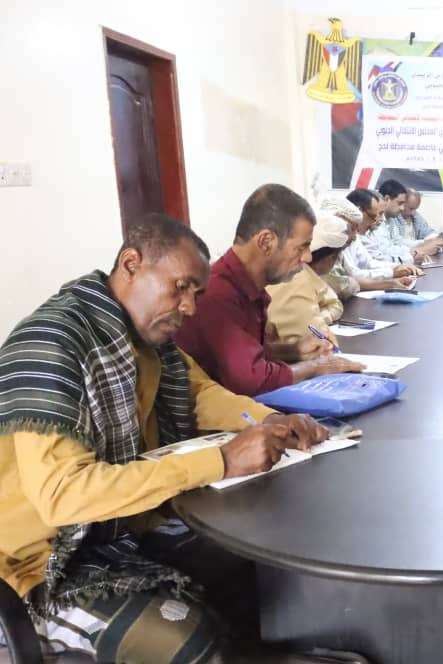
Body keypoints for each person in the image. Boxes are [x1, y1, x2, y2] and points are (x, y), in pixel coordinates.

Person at [0, 214, 330, 661]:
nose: (189, 307)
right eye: (180, 287)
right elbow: (63, 496)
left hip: (112, 532)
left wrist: (273, 421)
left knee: (251, 569)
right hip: (36, 570)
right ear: (131, 264)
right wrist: (222, 461)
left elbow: (200, 394)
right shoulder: (52, 344)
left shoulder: (143, 341)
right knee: (191, 641)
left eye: (196, 293)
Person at [176, 184, 365, 397]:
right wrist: (317, 367)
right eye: (301, 247)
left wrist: (294, 349)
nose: (307, 257)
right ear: (266, 242)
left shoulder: (249, 287)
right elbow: (252, 379)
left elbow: (247, 354)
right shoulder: (218, 294)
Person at [266, 213, 351, 343]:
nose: (308, 257)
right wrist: (319, 317)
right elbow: (314, 334)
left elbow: (334, 305)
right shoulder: (296, 279)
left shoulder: (305, 275)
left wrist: (319, 316)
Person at [332, 192, 419, 292]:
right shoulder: (339, 236)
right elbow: (353, 275)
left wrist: (397, 267)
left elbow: (369, 262)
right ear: (359, 211)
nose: (378, 220)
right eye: (373, 216)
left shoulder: (355, 234)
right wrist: (392, 273)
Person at [374, 180, 443, 262]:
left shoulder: (390, 219)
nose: (402, 208)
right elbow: (385, 251)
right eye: (400, 203)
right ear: (387, 199)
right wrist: (419, 250)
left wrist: (425, 244)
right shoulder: (376, 221)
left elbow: (398, 242)